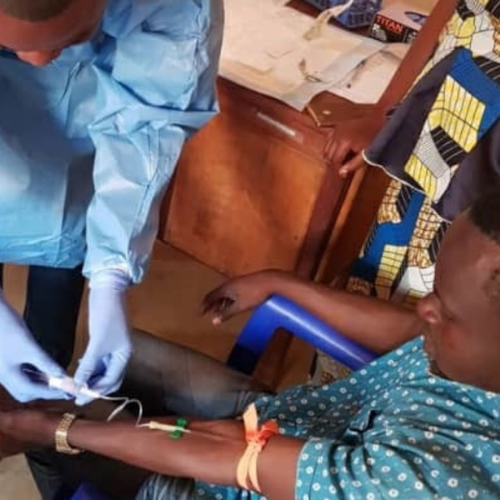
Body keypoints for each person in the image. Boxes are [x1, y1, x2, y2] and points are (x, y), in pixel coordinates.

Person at [2, 185, 500, 499]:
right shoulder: (469, 353)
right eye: (433, 294)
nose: (424, 310)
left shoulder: (427, 482)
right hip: (279, 427)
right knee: (88, 379)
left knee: (50, 428)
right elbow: (411, 331)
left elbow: (229, 460)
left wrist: (55, 431)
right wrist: (280, 283)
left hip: (234, 475)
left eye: (445, 311)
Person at [0, 0, 223, 405]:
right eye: (11, 45)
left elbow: (149, 129)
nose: (38, 60)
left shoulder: (173, 8)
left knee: (51, 318)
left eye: (73, 37)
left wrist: (111, 271)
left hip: (81, 177)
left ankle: (39, 406)